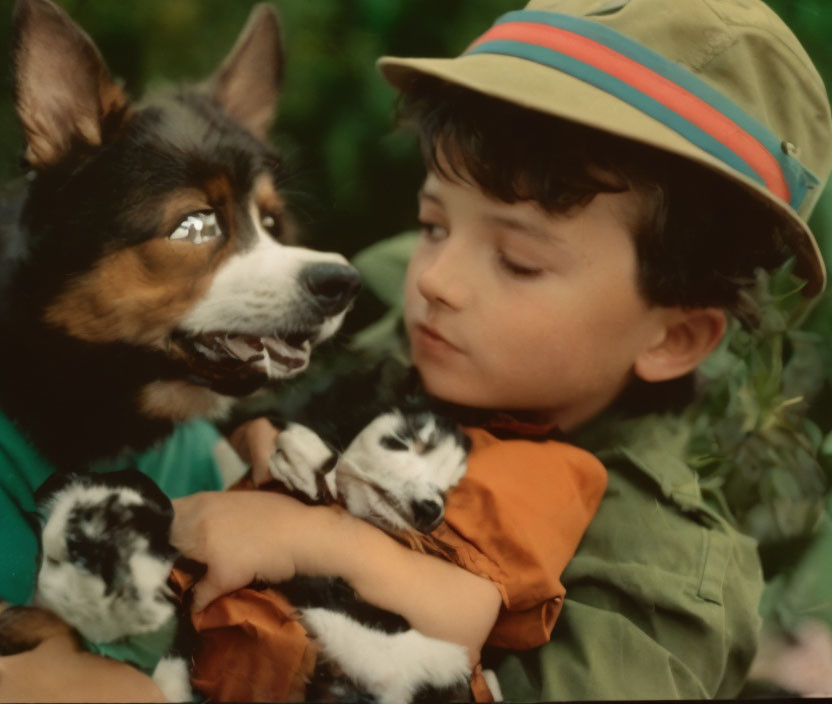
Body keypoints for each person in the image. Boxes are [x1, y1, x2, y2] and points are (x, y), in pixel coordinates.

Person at [169, 0, 832, 700]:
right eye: (432, 223)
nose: (437, 280)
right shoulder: (401, 304)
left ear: (673, 337)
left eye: (517, 262)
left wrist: (326, 545)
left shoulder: (651, 588)